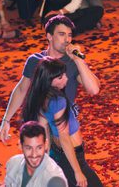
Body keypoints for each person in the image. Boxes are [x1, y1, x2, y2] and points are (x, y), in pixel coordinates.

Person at [0, 15, 100, 143]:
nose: (67, 39)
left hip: (63, 123)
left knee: (71, 160)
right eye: (62, 34)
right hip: (40, 124)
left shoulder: (73, 62)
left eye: (69, 35)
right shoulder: (35, 60)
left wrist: (79, 61)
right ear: (49, 36)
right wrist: (6, 120)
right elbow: (21, 89)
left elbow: (94, 90)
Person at [22, 57, 103, 187]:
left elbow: (44, 130)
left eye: (64, 74)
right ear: (49, 81)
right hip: (72, 156)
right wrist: (77, 171)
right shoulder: (58, 101)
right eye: (60, 78)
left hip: (58, 153)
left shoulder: (41, 97)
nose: (66, 78)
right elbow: (64, 137)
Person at [5, 121, 68, 187]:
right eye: (29, 148)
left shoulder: (54, 181)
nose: (34, 154)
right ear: (20, 146)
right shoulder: (12, 163)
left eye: (39, 148)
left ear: (46, 144)